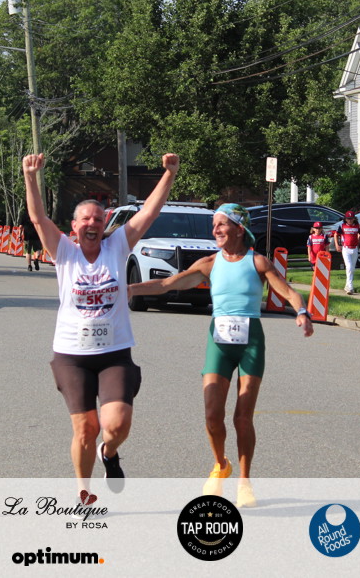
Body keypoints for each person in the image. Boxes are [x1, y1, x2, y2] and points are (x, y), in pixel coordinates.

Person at [128, 203, 313, 508]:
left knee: (242, 417)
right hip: (219, 342)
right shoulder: (209, 263)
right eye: (214, 225)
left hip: (251, 342)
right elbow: (165, 284)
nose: (215, 230)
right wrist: (130, 289)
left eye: (222, 224)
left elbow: (289, 292)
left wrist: (302, 312)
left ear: (239, 229)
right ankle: (220, 464)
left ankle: (244, 481)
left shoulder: (258, 262)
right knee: (213, 414)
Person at [23, 151, 180, 505]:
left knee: (116, 425)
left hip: (114, 354)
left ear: (105, 221)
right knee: (86, 428)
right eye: (85, 219)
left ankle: (108, 453)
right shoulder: (64, 252)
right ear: (74, 227)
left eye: (97, 218)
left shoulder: (117, 246)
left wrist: (169, 173)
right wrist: (30, 176)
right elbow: (37, 218)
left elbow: (149, 212)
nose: (92, 224)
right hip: (72, 356)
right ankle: (84, 493)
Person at [334, 211, 360, 294]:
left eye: (351, 218)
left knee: (352, 268)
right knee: (349, 267)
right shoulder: (342, 226)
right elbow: (336, 234)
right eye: (348, 219)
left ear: (354, 219)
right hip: (346, 248)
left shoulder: (358, 226)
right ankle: (350, 287)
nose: (350, 220)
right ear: (345, 219)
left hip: (354, 248)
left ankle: (347, 285)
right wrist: (337, 245)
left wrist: (358, 242)